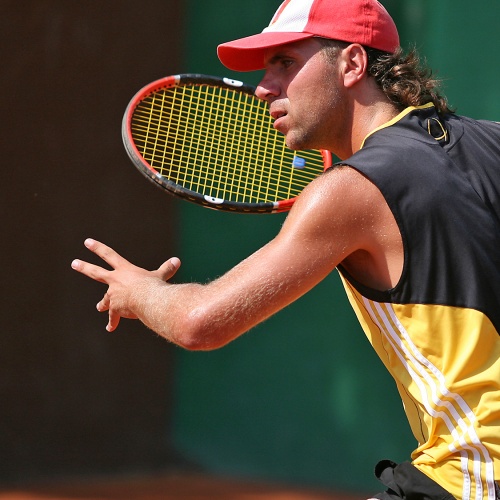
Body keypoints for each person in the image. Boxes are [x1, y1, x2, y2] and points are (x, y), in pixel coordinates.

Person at [71, 0, 500, 498]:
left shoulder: (351, 190)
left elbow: (199, 323)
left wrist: (140, 291)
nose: (264, 87)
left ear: (353, 64)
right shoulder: (491, 143)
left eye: (285, 63)